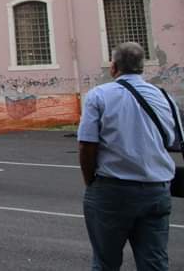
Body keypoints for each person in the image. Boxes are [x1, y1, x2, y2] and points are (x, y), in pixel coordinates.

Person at [79, 42, 180, 270]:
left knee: (106, 262)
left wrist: (90, 181)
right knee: (154, 261)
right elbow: (174, 140)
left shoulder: (99, 95)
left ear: (113, 67)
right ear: (142, 67)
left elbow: (86, 145)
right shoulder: (164, 97)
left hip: (113, 189)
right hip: (157, 188)